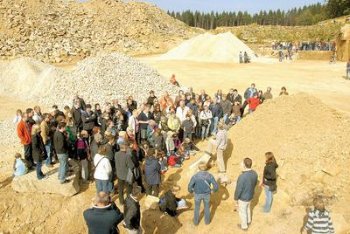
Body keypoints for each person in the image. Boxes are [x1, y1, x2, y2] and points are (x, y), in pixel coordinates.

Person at [234, 158, 258, 231]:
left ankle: (244, 226)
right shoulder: (254, 173)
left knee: (242, 212)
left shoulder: (242, 177)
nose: (241, 164)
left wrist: (236, 198)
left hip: (243, 198)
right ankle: (248, 221)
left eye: (242, 163)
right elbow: (255, 183)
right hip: (250, 195)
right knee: (248, 208)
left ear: (244, 165)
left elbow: (238, 189)